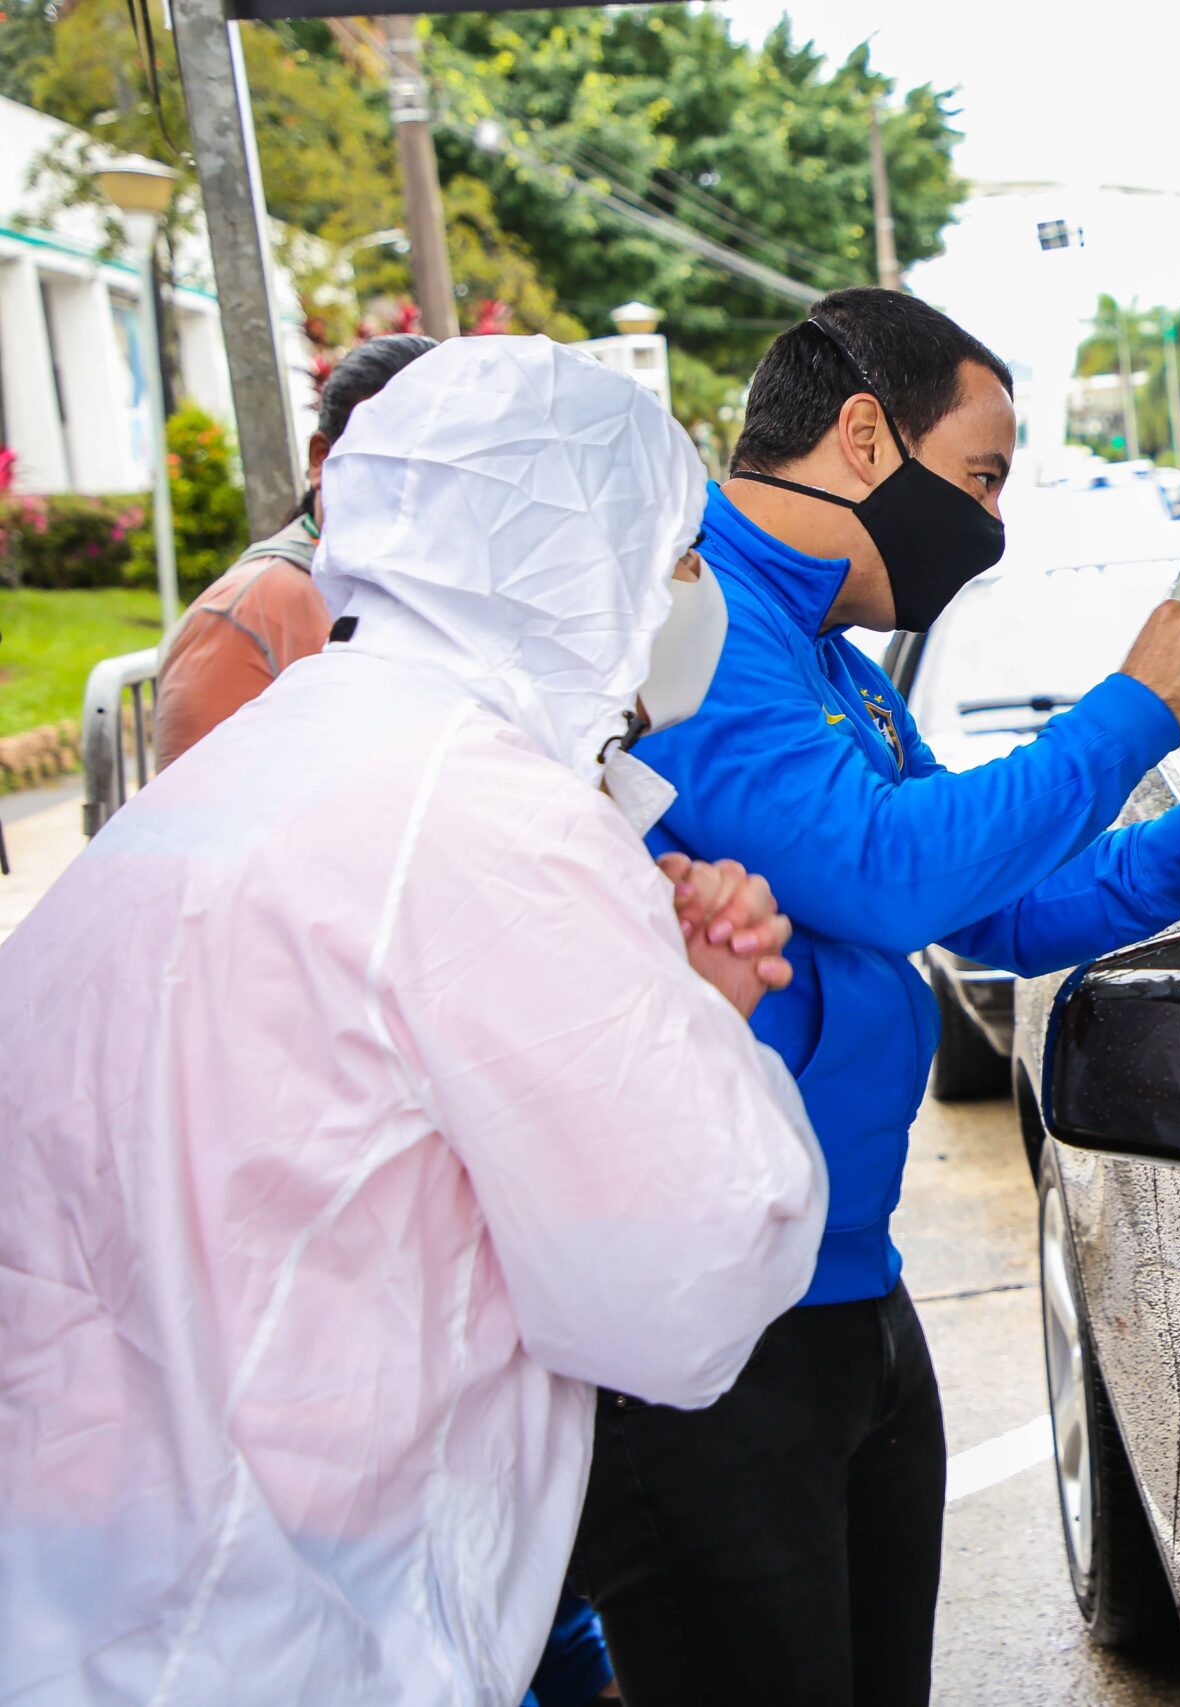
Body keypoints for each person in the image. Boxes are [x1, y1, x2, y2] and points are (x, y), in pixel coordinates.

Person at [0, 336, 828, 1706]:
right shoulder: (483, 821)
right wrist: (702, 1027)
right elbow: (686, 1279)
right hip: (267, 1622)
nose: (696, 593)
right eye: (675, 553)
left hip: (91, 1587)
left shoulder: (287, 758)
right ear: (576, 557)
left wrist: (647, 978)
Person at [572, 288, 1180, 1703]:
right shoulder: (699, 634)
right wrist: (1133, 704)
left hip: (847, 1285)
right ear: (858, 437)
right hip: (719, 1335)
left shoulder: (827, 660)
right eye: (979, 477)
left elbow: (987, 899)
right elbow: (892, 872)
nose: (990, 523)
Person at [153, 332, 437, 767]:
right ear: (321, 459)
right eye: (392, 460)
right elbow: (191, 816)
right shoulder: (243, 614)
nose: (416, 486)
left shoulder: (443, 590)